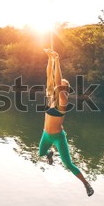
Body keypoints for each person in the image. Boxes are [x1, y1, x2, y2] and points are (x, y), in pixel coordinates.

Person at [38, 49, 94, 197]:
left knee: (67, 164)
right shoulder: (51, 97)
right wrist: (50, 59)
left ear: (64, 89)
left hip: (57, 136)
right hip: (46, 134)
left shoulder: (63, 101)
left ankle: (86, 184)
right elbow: (49, 75)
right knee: (41, 153)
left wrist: (57, 61)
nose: (58, 85)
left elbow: (57, 80)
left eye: (61, 85)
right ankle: (50, 153)